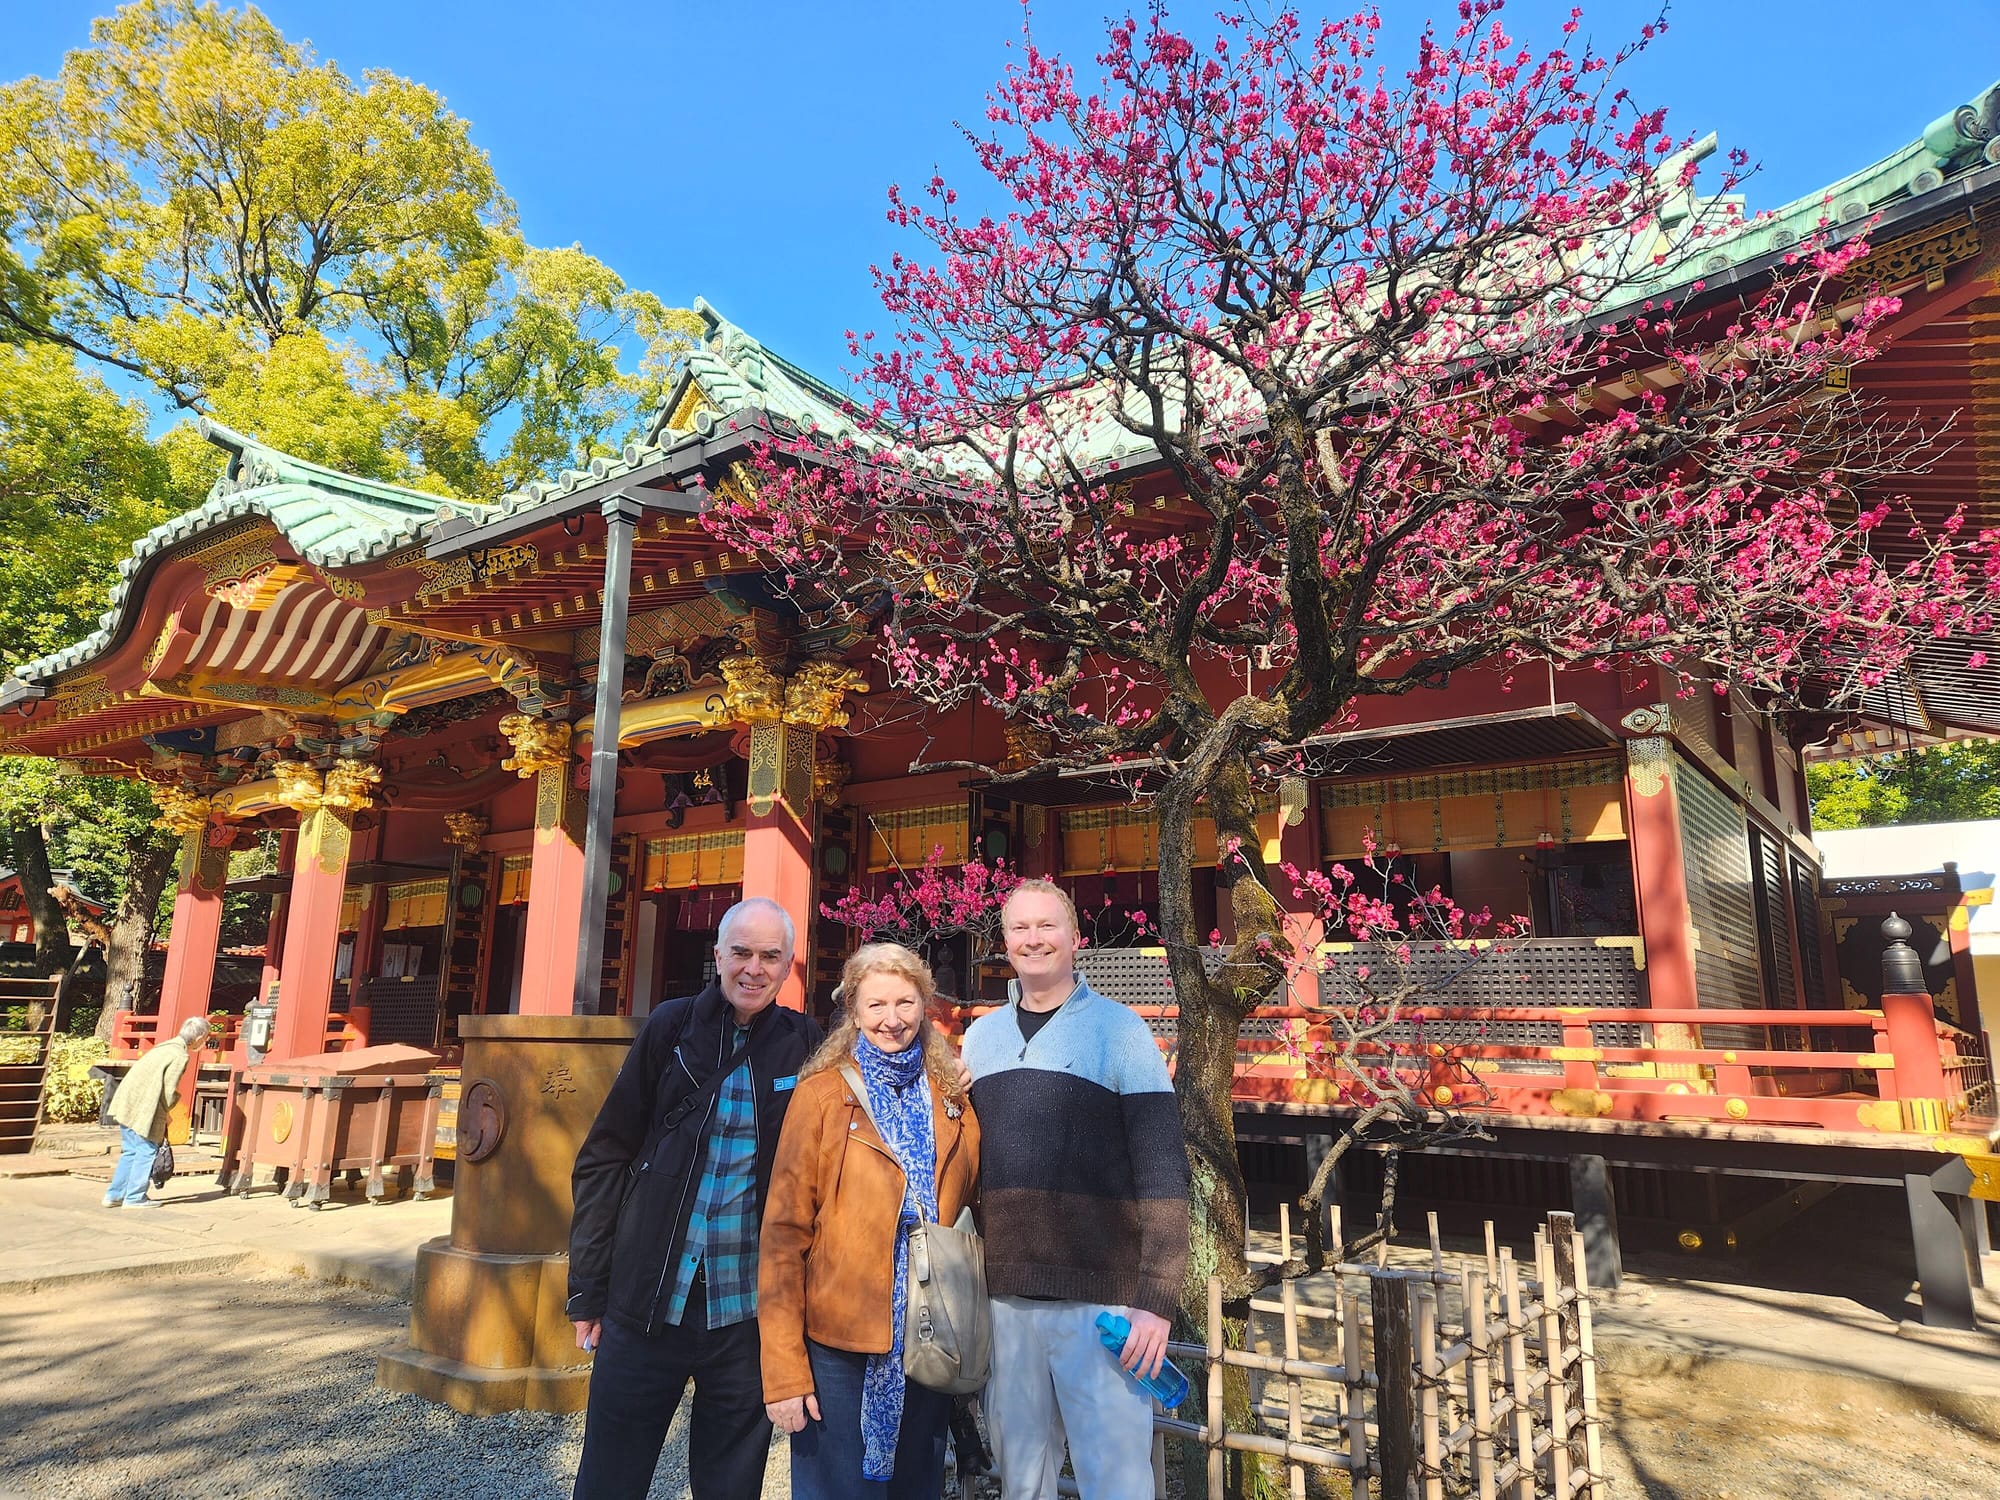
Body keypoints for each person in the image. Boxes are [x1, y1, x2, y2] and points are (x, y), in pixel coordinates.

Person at [566, 896, 823, 1500]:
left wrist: (951, 1073)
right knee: (610, 1476)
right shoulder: (671, 1027)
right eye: (741, 953)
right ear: (717, 956)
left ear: (788, 968)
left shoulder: (805, 1040)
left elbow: (881, 1060)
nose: (753, 969)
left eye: (770, 957)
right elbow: (605, 1154)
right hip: (648, 1296)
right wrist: (588, 1287)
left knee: (731, 1483)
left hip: (745, 1310)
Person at [961, 879, 1190, 1500]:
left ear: (1074, 938)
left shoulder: (1119, 1031)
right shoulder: (980, 1039)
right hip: (1006, 1299)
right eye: (1020, 928)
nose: (1034, 939)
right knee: (1020, 1481)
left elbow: (1163, 1166)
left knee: (1115, 1482)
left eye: (1047, 926)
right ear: (1003, 942)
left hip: (1103, 1300)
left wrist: (1157, 1294)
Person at [759, 943, 980, 1500]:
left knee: (917, 1482)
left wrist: (959, 1097)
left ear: (924, 1006)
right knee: (838, 1487)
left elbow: (972, 1194)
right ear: (853, 1010)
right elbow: (784, 1234)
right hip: (841, 1333)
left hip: (928, 1325)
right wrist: (784, 1370)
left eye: (905, 1002)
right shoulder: (822, 1095)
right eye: (876, 1004)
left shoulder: (947, 1095)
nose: (892, 1018)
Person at [103, 1017, 209, 1208]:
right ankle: (135, 1197)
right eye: (205, 1038)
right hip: (146, 1107)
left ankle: (114, 1195)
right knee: (146, 1149)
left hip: (127, 1101)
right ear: (199, 1037)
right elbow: (167, 1091)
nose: (205, 1043)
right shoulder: (179, 1056)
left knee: (130, 1150)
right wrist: (167, 1112)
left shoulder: (163, 1047)